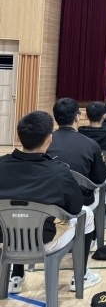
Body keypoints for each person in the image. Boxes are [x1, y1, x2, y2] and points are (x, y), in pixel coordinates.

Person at [0, 111, 100, 293]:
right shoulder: (58, 171)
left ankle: (16, 276)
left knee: (16, 218)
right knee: (88, 214)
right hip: (45, 240)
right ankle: (82, 275)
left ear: (20, 137)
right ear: (49, 139)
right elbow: (76, 207)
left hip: (4, 239)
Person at [47, 98, 106, 208]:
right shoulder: (91, 144)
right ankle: (93, 225)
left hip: (48, 197)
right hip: (80, 201)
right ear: (77, 117)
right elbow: (100, 178)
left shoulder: (45, 142)